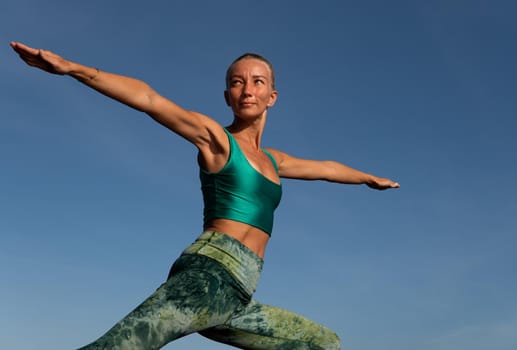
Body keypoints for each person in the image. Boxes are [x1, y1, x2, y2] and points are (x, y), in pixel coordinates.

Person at [11, 41, 400, 350]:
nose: (247, 89)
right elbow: (149, 100)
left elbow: (327, 168)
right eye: (237, 82)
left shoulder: (273, 161)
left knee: (322, 343)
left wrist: (368, 177)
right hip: (208, 277)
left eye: (258, 81)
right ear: (227, 95)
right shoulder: (217, 140)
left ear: (272, 96)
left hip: (238, 295)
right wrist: (72, 69)